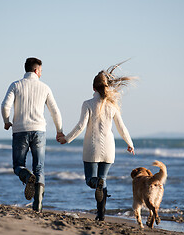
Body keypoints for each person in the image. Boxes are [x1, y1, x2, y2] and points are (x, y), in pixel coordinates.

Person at [57, 62, 135, 221]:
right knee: (103, 181)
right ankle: (101, 215)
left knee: (90, 180)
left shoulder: (87, 104)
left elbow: (80, 126)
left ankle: (96, 183)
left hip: (91, 149)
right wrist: (130, 143)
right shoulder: (112, 105)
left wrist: (67, 139)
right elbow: (122, 127)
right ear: (106, 87)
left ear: (93, 88)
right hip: (109, 150)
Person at [1, 57, 63, 212]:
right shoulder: (45, 88)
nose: (41, 73)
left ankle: (27, 176)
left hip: (20, 130)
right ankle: (38, 206)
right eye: (41, 70)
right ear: (36, 70)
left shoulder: (15, 85)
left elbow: (4, 105)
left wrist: (6, 121)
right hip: (39, 131)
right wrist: (59, 130)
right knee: (40, 169)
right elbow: (55, 111)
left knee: (18, 166)